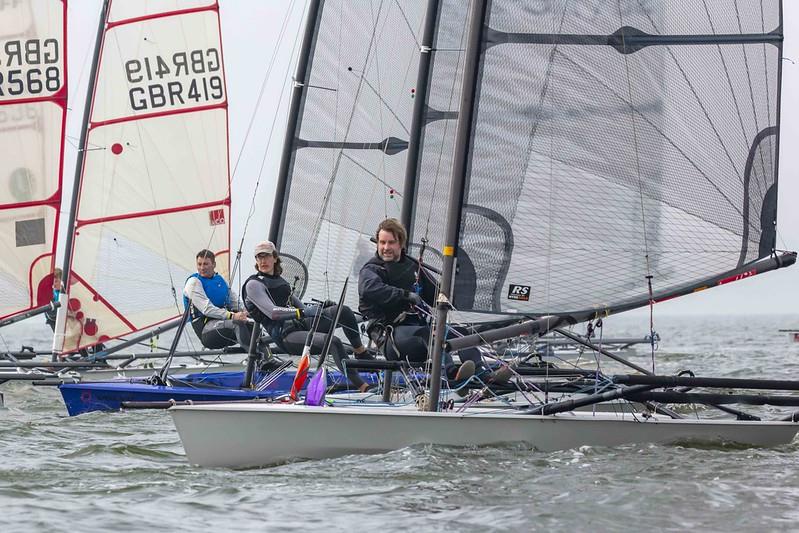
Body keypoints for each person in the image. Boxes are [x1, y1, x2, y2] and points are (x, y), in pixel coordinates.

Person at [358, 218, 486, 383]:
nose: (386, 247)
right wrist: (406, 295)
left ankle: (483, 373)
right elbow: (369, 289)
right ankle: (451, 374)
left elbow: (437, 296)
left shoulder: (413, 267)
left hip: (420, 337)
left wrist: (453, 285)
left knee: (459, 332)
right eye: (382, 242)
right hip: (390, 339)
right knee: (429, 334)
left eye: (391, 242)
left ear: (401, 244)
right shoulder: (372, 269)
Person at [242, 241, 374, 392]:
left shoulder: (280, 282)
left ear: (275, 258)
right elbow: (273, 313)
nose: (262, 261)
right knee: (333, 342)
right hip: (285, 335)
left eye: (266, 256)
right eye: (259, 257)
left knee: (342, 311)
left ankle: (361, 353)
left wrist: (324, 308)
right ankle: (363, 386)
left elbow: (303, 309)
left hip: (301, 324)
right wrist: (304, 312)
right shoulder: (253, 284)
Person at [182, 249, 278, 368]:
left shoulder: (220, 280)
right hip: (206, 331)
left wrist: (248, 312)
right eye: (199, 264)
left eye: (206, 264)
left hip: (224, 324)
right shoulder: (193, 282)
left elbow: (235, 303)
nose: (202, 267)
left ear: (214, 264)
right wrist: (233, 316)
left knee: (254, 324)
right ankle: (258, 359)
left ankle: (269, 359)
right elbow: (206, 309)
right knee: (237, 323)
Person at [45, 267, 63, 332]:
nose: (54, 284)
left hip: (63, 320)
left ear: (62, 281)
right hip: (53, 320)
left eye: (56, 281)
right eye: (52, 282)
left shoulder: (65, 292)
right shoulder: (51, 293)